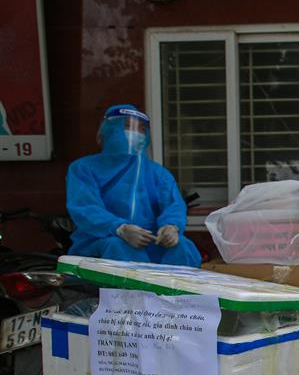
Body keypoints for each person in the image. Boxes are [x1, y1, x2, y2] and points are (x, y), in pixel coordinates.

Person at [66, 104, 201, 266]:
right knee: (119, 247)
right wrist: (120, 228)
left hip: (150, 240)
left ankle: (185, 292)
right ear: (109, 129)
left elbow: (173, 204)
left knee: (183, 247)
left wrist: (171, 227)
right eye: (128, 126)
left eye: (142, 129)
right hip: (100, 239)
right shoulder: (83, 168)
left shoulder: (157, 172)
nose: (136, 134)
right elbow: (85, 208)